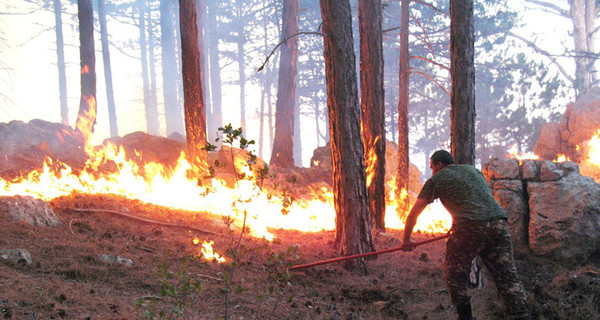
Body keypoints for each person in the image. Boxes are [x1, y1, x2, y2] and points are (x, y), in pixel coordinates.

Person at [400, 150, 530, 320]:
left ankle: (465, 317)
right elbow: (474, 199)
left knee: (454, 274)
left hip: (469, 227)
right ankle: (522, 315)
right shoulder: (473, 171)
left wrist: (406, 240)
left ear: (439, 165)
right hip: (499, 222)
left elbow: (413, 214)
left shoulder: (437, 179)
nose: (432, 171)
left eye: (432, 167)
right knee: (507, 275)